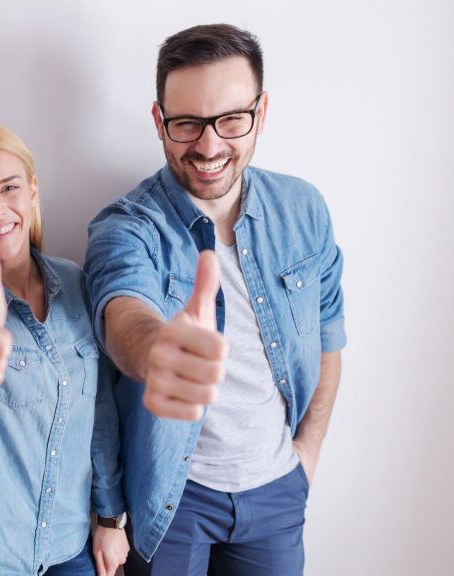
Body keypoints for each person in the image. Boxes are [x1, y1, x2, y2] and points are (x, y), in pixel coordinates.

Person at [84, 24, 346, 575]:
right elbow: (122, 309)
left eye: (230, 120)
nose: (208, 145)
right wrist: (159, 353)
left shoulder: (304, 211)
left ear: (261, 112)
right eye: (186, 124)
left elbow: (328, 335)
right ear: (159, 121)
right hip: (174, 500)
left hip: (277, 490)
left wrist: (309, 454)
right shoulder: (126, 226)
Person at [0, 122, 130, 576]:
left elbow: (100, 411)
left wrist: (110, 517)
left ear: (32, 192)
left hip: (69, 548)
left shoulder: (76, 282)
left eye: (9, 187)